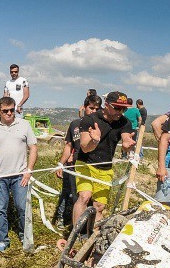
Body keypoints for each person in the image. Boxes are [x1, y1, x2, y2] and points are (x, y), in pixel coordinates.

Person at [0, 96, 38, 253]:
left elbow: (33, 147)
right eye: (5, 111)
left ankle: (24, 235)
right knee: (0, 209)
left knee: (22, 207)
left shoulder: (24, 125)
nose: (9, 113)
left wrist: (29, 170)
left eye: (12, 110)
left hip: (20, 176)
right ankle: (3, 240)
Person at [72, 90, 136, 225]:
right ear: (106, 105)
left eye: (123, 109)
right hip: (85, 163)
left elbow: (125, 139)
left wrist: (127, 144)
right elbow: (84, 147)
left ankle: (94, 238)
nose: (120, 112)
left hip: (105, 167)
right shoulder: (90, 119)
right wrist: (94, 141)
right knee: (84, 196)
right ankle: (75, 235)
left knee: (99, 206)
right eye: (117, 108)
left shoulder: (124, 122)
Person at [56, 93, 101, 227]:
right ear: (85, 107)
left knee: (94, 201)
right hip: (77, 167)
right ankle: (78, 230)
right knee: (78, 198)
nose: (94, 111)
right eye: (91, 108)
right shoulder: (75, 125)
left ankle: (90, 229)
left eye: (97, 109)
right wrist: (60, 164)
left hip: (97, 167)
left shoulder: (101, 126)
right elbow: (69, 146)